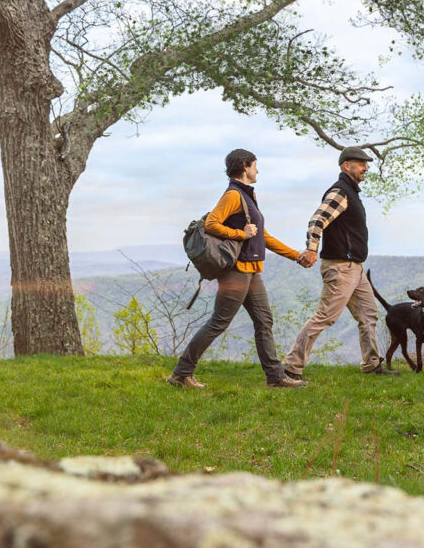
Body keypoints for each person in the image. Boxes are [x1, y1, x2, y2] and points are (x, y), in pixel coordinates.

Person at [168, 149, 306, 389]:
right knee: (219, 322)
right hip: (235, 271)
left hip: (251, 270)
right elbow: (211, 224)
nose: (257, 170)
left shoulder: (247, 196)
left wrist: (295, 256)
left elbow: (262, 236)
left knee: (264, 321)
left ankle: (275, 377)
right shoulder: (233, 195)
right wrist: (240, 234)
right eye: (255, 165)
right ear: (245, 166)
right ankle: (181, 374)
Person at [285, 146, 399, 379]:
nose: (366, 167)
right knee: (325, 317)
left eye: (366, 164)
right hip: (340, 268)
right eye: (361, 163)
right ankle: (290, 366)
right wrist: (311, 249)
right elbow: (317, 221)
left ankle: (371, 364)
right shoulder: (340, 192)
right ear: (347, 165)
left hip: (355, 268)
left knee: (368, 314)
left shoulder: (351, 192)